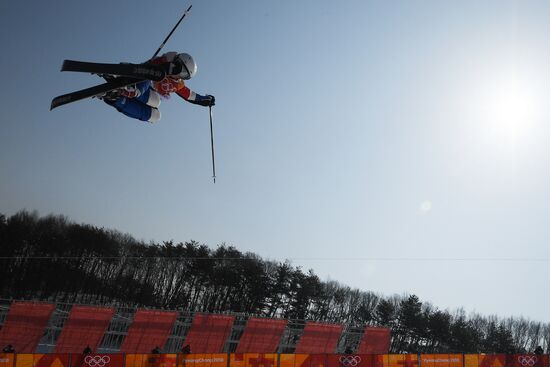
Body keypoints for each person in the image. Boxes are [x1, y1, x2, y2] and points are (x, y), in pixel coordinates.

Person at [104, 52, 215, 123]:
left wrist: (205, 100)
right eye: (180, 69)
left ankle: (117, 98)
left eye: (184, 75)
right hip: (139, 82)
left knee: (156, 116)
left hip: (144, 94)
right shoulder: (164, 61)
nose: (179, 75)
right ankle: (121, 78)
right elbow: (148, 69)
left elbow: (190, 95)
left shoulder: (176, 84)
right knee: (156, 99)